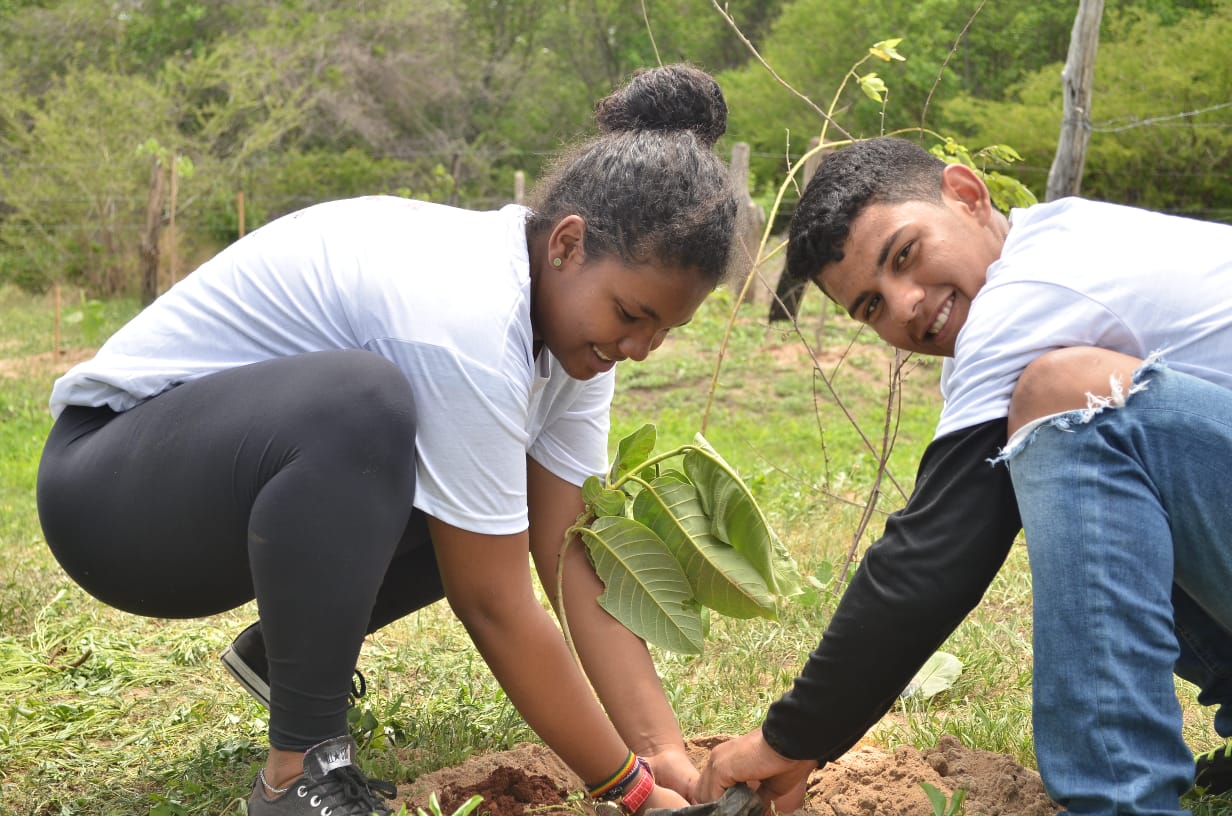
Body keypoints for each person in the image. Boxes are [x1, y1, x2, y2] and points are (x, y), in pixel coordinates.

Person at [37, 63, 740, 816]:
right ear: (567, 244)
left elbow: (566, 549)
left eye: (666, 329)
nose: (642, 347)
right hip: (111, 498)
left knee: (496, 499)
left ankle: (289, 658)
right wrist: (633, 794)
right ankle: (298, 773)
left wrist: (664, 753)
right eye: (633, 315)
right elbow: (493, 601)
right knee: (365, 408)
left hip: (213, 497)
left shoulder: (574, 338)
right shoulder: (470, 318)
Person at [695, 136, 1232, 816]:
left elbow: (933, 561)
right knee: (1086, 467)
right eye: (870, 307)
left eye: (905, 255)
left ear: (968, 195)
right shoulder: (1057, 246)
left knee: (1068, 395)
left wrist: (787, 739)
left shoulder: (1026, 297)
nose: (905, 305)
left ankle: (1118, 803)